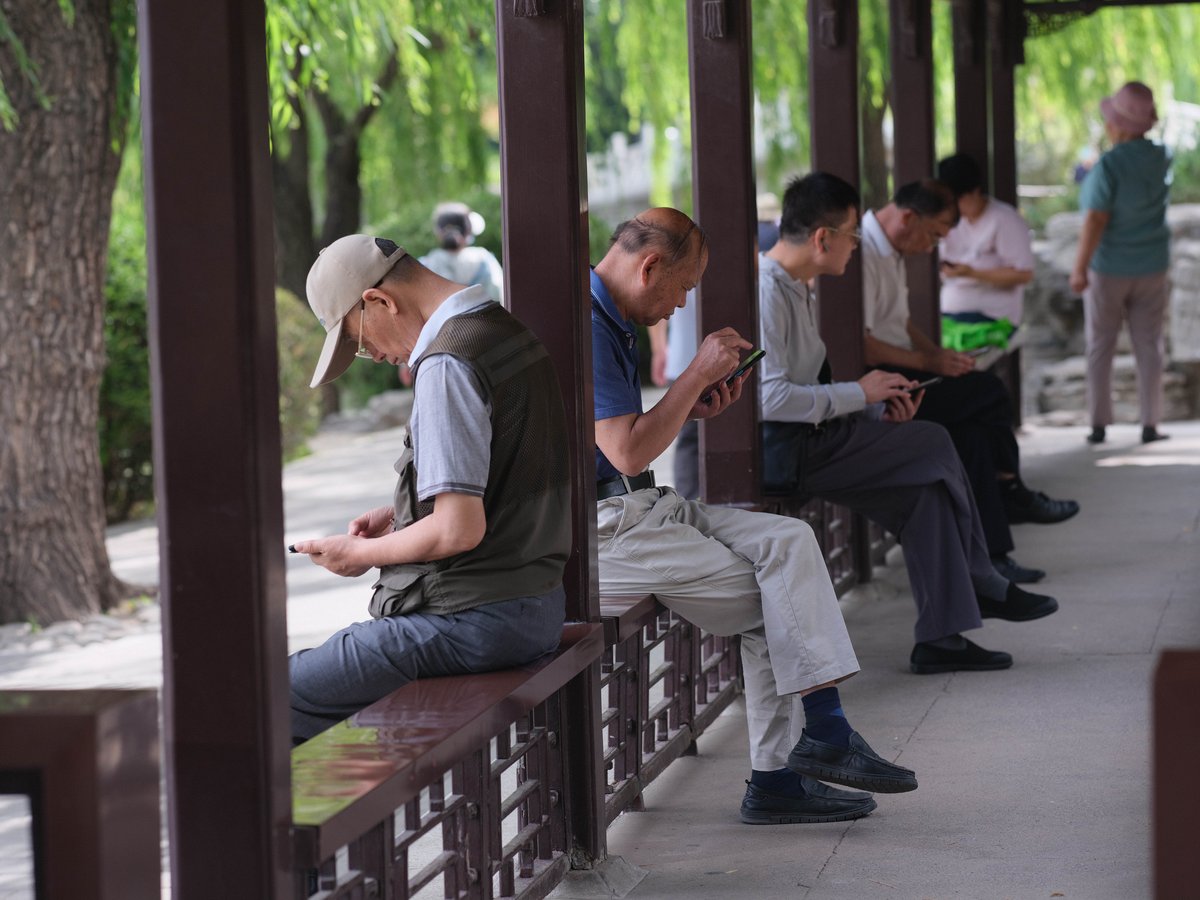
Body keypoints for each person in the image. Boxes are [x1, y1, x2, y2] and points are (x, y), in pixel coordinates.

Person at [592, 208, 917, 825]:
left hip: (641, 505)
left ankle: (811, 747)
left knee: (789, 540)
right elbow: (625, 449)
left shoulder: (612, 312)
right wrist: (693, 375)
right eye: (683, 287)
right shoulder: (584, 320)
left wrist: (690, 404)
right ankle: (795, 763)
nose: (682, 305)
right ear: (650, 265)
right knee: (782, 602)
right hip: (603, 530)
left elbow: (618, 440)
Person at [758, 173, 1060, 675]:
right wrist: (861, 392)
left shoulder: (796, 287)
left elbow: (806, 385)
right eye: (852, 234)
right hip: (793, 452)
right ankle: (982, 575)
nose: (856, 246)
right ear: (822, 238)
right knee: (934, 440)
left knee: (927, 493)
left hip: (818, 438)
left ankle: (941, 640)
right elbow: (769, 398)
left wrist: (875, 406)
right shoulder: (768, 291)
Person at [287, 235, 571, 743]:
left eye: (357, 340)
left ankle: (290, 823)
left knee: (272, 694)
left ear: (379, 301)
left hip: (477, 617)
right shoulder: (504, 330)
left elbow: (458, 529)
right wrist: (400, 515)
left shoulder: (446, 363)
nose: (371, 355)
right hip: (535, 605)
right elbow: (503, 483)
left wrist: (365, 552)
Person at [859, 180, 1079, 582]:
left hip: (905, 369)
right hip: (877, 386)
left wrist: (938, 356)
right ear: (908, 217)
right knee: (990, 392)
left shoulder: (891, 251)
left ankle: (990, 562)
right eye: (934, 235)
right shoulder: (862, 252)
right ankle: (1011, 490)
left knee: (975, 438)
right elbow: (867, 346)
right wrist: (928, 360)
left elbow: (901, 322)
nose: (932, 247)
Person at [1069, 81, 1173, 445]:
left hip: (1109, 267)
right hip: (1153, 265)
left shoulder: (1110, 164)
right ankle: (1150, 424)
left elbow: (1096, 218)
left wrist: (1079, 267)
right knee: (1149, 344)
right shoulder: (1161, 156)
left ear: (1117, 125)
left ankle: (1098, 424)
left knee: (1101, 344)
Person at [936, 153, 1035, 343]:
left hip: (991, 316)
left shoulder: (1004, 218)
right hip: (948, 310)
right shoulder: (947, 219)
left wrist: (972, 273)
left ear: (975, 191)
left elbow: (1024, 274)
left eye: (958, 199)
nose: (954, 207)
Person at [419, 202, 505, 303]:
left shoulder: (424, 266)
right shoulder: (484, 259)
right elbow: (498, 295)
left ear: (438, 232)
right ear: (469, 230)